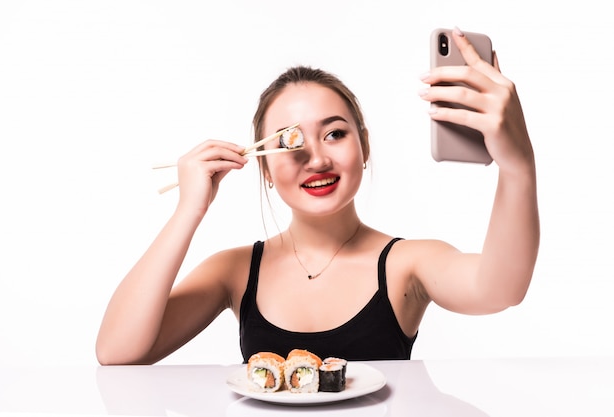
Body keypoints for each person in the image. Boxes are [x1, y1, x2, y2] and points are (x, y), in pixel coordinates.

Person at [95, 27, 539, 365]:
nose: (317, 158)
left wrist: (518, 164)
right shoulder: (234, 271)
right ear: (264, 168)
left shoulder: (408, 264)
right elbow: (117, 352)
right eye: (290, 141)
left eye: (335, 133)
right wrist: (188, 211)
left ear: (364, 146)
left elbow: (499, 289)